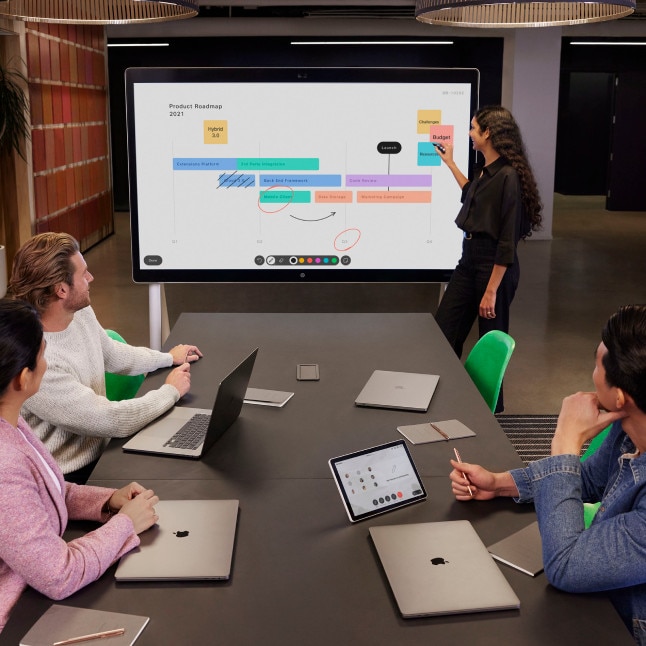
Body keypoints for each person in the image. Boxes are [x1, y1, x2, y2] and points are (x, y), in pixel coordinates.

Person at [449, 304, 646, 643]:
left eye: (596, 363)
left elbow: (566, 565)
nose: (592, 373)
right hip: (601, 602)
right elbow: (587, 480)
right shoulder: (630, 432)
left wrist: (565, 442)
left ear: (618, 397)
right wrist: (499, 484)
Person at [0, 298, 160, 632]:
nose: (48, 362)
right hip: (19, 616)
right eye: (44, 354)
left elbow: (42, 490)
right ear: (23, 378)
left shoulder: (10, 420)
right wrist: (125, 525)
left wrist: (106, 500)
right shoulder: (4, 465)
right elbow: (59, 574)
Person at [7, 232, 203, 484]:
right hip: (71, 477)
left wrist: (166, 358)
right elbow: (110, 420)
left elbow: (111, 353)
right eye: (83, 274)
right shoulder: (39, 358)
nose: (91, 278)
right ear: (62, 290)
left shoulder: (79, 311)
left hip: (103, 450)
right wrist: (170, 392)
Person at [435, 106, 542, 410]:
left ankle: (490, 414)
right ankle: (442, 398)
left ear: (488, 133)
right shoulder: (486, 170)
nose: (469, 134)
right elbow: (472, 195)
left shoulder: (508, 176)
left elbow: (507, 241)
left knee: (490, 345)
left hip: (494, 268)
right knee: (444, 332)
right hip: (469, 262)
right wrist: (451, 164)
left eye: (473, 128)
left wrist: (491, 290)